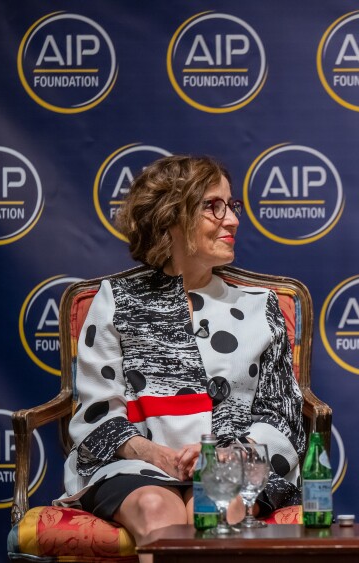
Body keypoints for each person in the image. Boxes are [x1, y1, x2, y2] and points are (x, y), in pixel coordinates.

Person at [54, 155, 304, 555]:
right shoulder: (117, 300)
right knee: (155, 507)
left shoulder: (261, 305)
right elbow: (96, 415)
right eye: (212, 206)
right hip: (138, 467)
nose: (233, 220)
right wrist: (161, 457)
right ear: (170, 218)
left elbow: (282, 416)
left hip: (236, 466)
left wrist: (228, 454)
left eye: (231, 205)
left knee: (222, 504)